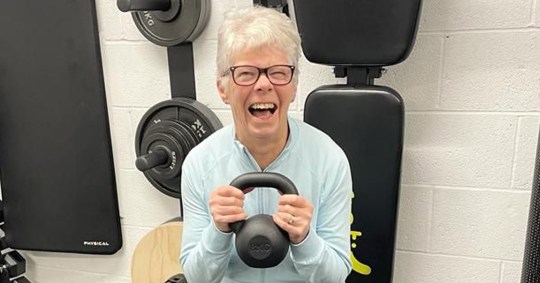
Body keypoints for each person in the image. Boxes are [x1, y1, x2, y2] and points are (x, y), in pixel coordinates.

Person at [180, 5, 352, 283]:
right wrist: (218, 230)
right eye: (246, 73)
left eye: (278, 72)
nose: (263, 85)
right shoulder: (200, 163)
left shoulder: (329, 159)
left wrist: (305, 238)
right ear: (223, 89)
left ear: (294, 86)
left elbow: (336, 276)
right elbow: (197, 277)